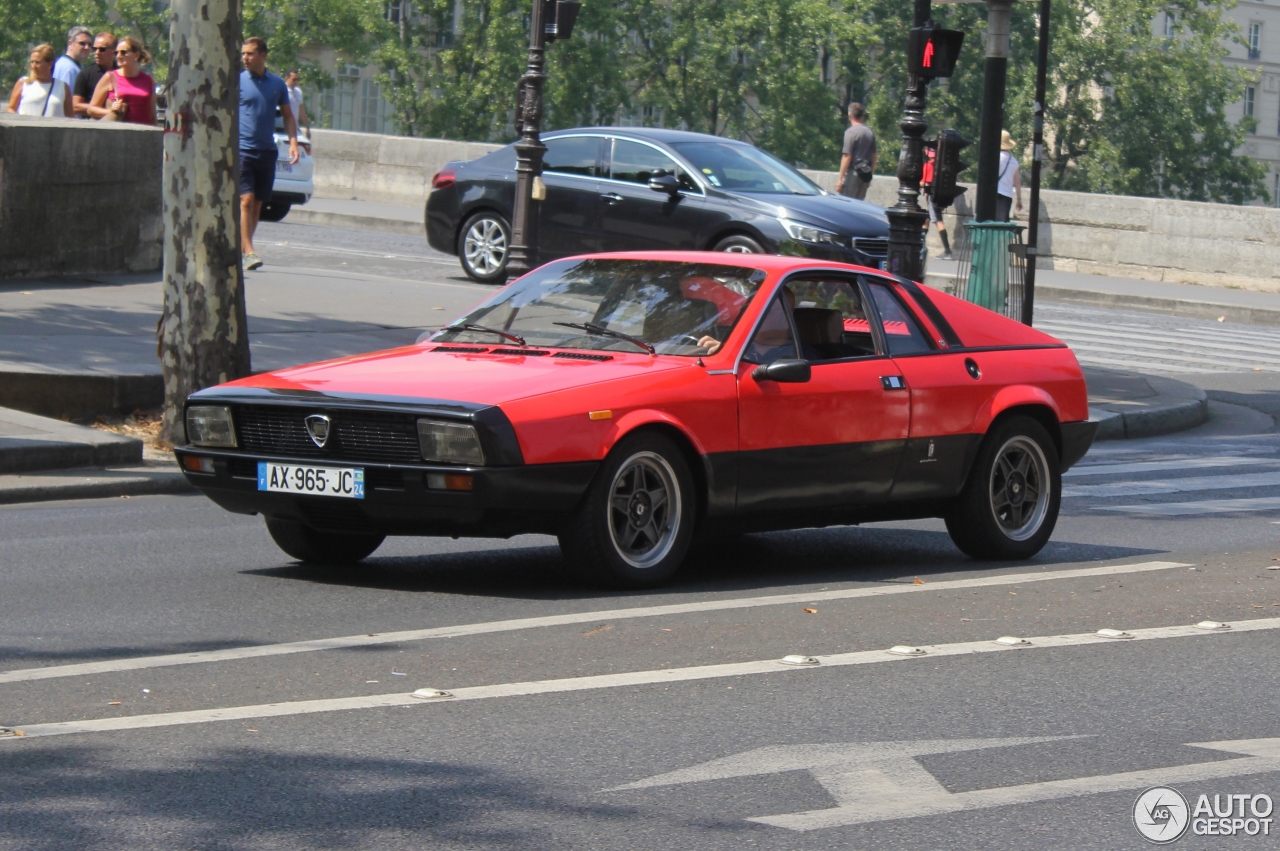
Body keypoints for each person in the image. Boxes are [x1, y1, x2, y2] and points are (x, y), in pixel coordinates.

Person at [239, 38, 298, 271]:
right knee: (246, 200)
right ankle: (249, 251)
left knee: (257, 205)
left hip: (267, 151)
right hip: (243, 148)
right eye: (243, 54)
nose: (245, 58)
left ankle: (243, 249)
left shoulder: (277, 84)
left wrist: (293, 142)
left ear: (263, 55)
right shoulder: (237, 81)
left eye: (251, 54)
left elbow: (288, 116)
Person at [88, 36, 155, 125]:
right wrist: (110, 111)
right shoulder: (110, 77)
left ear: (136, 54)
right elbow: (91, 109)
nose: (118, 56)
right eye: (116, 53)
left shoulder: (148, 80)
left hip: (143, 134)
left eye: (123, 52)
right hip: (119, 135)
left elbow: (152, 115)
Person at [6, 44, 74, 118]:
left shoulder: (62, 87)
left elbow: (70, 116)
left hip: (52, 129)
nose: (33, 66)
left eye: (37, 62)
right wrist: (20, 118)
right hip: (26, 128)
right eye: (32, 62)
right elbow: (10, 108)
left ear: (50, 64)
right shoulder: (24, 83)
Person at [835, 102, 876, 201]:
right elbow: (874, 156)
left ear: (850, 115)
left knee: (846, 204)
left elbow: (847, 157)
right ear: (862, 116)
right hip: (865, 175)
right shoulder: (869, 133)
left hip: (853, 174)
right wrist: (871, 174)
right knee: (859, 206)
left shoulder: (850, 132)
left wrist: (840, 179)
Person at [920, 144, 953, 260]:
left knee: (938, 220)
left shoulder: (929, 165)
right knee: (927, 219)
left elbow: (924, 182)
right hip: (940, 195)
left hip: (932, 195)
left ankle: (948, 251)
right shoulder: (941, 164)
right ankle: (920, 246)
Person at [73, 31, 116, 118]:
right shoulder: (85, 74)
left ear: (114, 52)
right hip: (94, 126)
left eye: (102, 49)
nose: (97, 52)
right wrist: (102, 110)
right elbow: (76, 106)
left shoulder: (120, 72)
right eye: (94, 49)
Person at [52, 26, 92, 100]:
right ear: (70, 43)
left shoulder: (72, 65)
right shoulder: (68, 68)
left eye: (89, 44)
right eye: (82, 43)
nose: (87, 47)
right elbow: (66, 101)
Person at [995, 129, 1023, 223]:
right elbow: (1017, 183)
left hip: (992, 194)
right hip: (1006, 196)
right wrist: (1019, 200)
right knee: (1002, 225)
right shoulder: (1014, 161)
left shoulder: (994, 157)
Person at [284, 69, 311, 137]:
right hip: (283, 129)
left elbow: (301, 111)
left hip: (295, 129)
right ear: (287, 78)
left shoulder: (298, 92)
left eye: (297, 79)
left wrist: (307, 127)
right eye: (294, 79)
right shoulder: (282, 91)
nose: (296, 82)